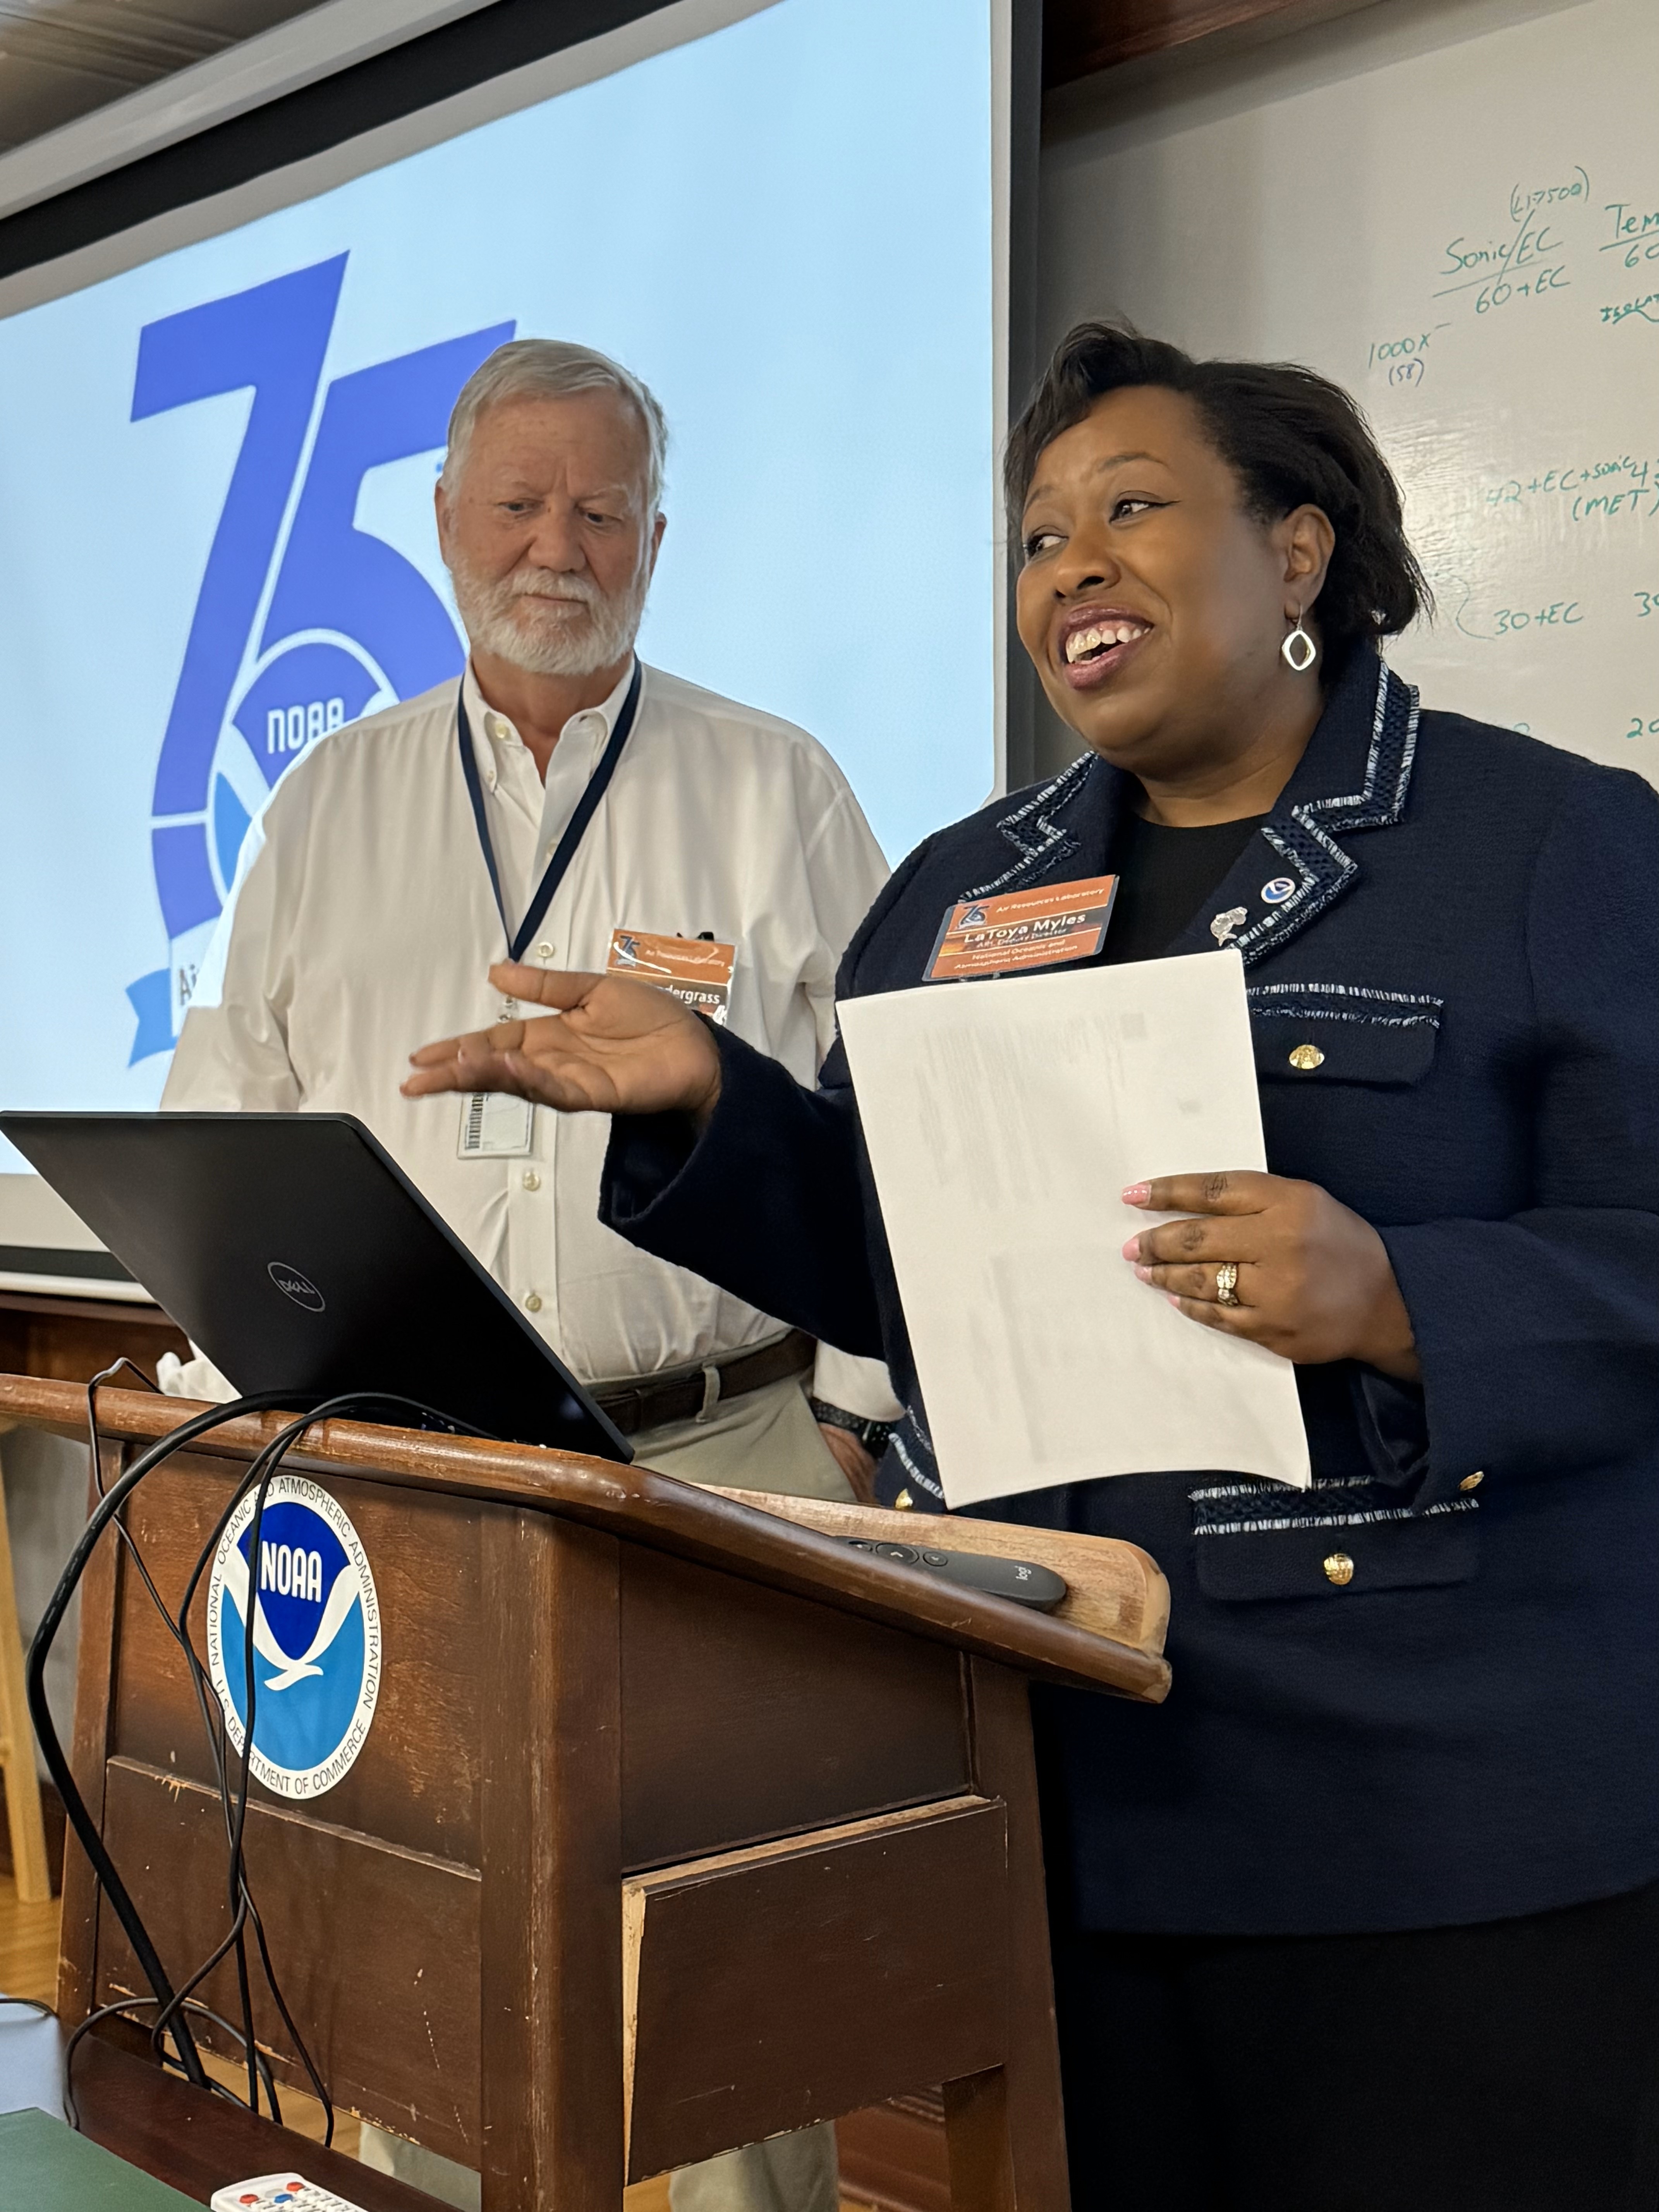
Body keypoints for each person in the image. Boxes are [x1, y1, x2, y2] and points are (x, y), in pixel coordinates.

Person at [401, 323, 1659, 2211]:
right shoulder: (963, 890)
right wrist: (705, 1106)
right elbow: (903, 1273)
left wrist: (1407, 1296)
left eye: (1132, 510)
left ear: (1300, 551)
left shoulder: (1549, 843)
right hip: (1070, 1775)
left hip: (1439, 1825)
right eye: (1037, 536)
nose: (1068, 565)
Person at [163, 336, 898, 2212]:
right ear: (444, 524)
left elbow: (891, 1120)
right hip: (421, 1462)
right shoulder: (330, 799)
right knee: (436, 1941)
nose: (558, 541)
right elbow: (229, 1101)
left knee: (731, 1951)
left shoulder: (775, 785)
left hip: (724, 1459)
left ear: (659, 535)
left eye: (601, 506)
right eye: (520, 500)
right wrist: (235, 1350)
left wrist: (864, 1418)